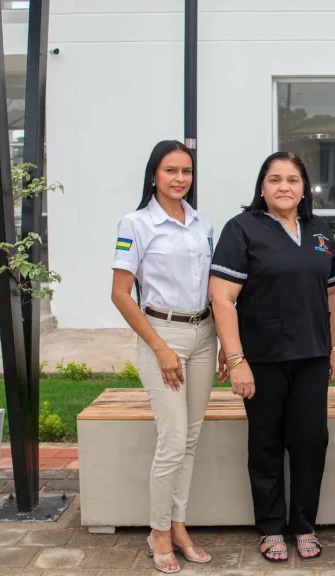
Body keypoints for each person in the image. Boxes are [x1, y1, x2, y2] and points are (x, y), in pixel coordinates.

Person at [207, 151, 335, 564]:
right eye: (275, 179)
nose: (285, 187)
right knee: (265, 443)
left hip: (312, 356)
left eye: (294, 180)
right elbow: (222, 297)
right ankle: (269, 527)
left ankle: (303, 524)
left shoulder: (320, 232)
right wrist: (236, 359)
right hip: (261, 358)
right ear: (261, 187)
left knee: (311, 441)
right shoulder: (241, 230)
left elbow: (332, 294)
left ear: (305, 188)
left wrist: (333, 347)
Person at [110, 139, 218, 574]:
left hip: (205, 333)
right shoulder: (135, 223)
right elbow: (120, 295)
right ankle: (157, 532)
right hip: (163, 334)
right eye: (171, 170)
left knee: (190, 440)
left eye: (186, 171)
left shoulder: (201, 222)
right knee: (172, 440)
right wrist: (159, 347)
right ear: (153, 174)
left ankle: (177, 524)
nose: (180, 179)